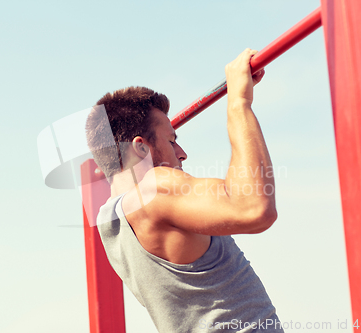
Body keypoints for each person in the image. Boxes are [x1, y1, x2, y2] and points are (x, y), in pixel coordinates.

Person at [85, 49, 284, 333]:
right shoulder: (154, 190)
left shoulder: (109, 221)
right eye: (171, 140)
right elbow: (254, 207)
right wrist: (240, 102)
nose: (182, 153)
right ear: (140, 147)